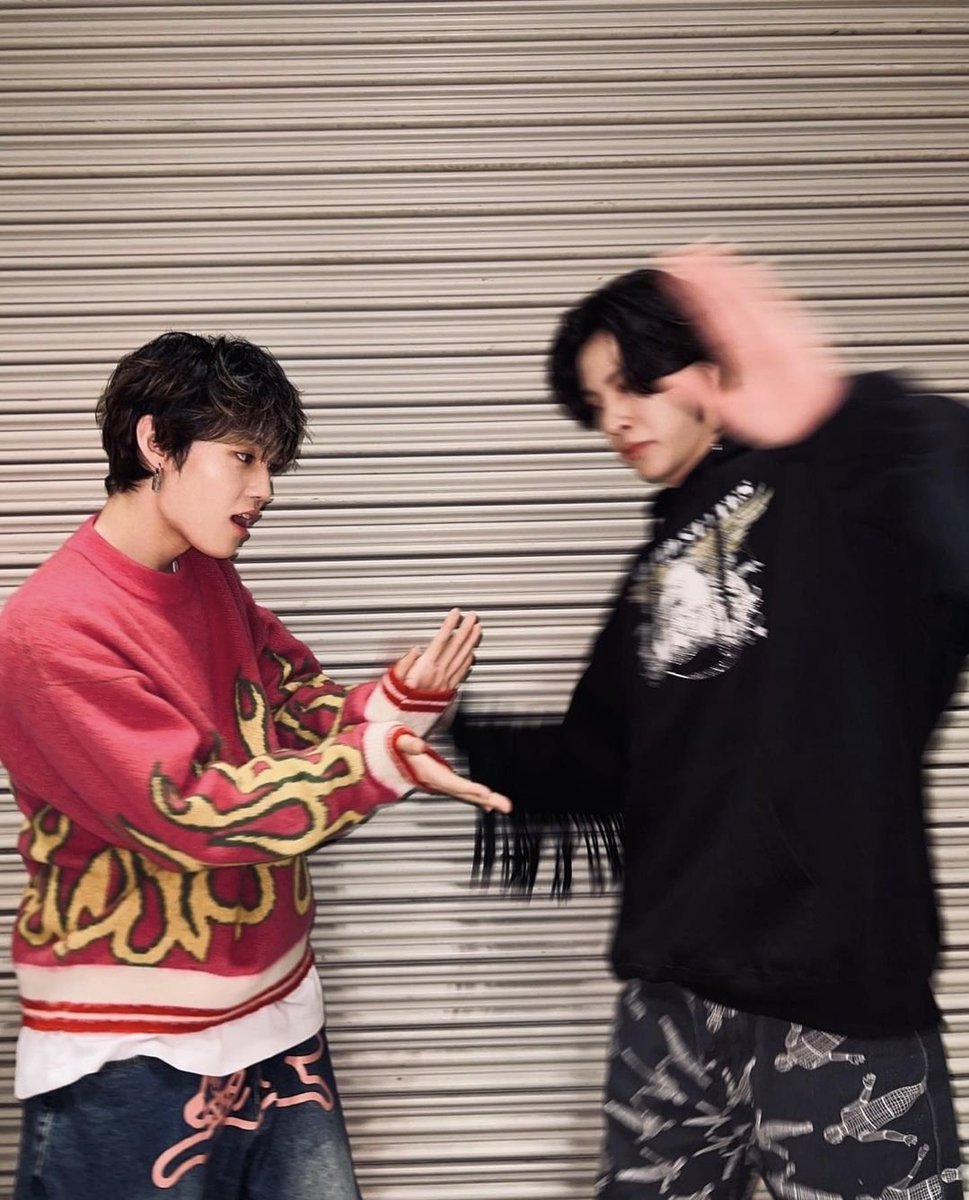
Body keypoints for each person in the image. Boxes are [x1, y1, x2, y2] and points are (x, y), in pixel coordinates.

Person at [453, 247, 967, 1197]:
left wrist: (843, 413)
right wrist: (443, 741)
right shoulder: (659, 554)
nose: (614, 418)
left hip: (830, 991)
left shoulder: (827, 483)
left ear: (702, 366)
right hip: (674, 1000)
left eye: (634, 384)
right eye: (595, 401)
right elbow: (601, 759)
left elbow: (948, 488)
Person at [0, 331, 510, 1200]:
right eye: (242, 456)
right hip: (130, 1052)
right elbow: (194, 810)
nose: (264, 488)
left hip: (276, 1018)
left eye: (269, 463)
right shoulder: (51, 630)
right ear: (155, 443)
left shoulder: (208, 580)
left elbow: (293, 708)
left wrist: (397, 703)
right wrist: (377, 759)